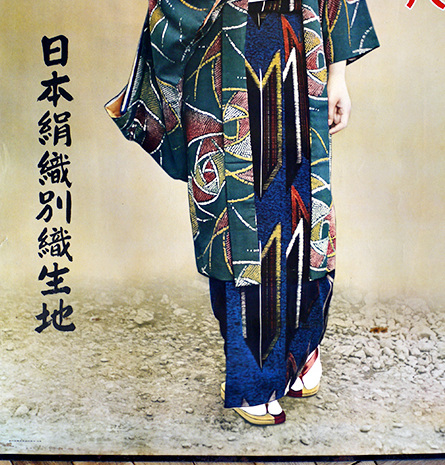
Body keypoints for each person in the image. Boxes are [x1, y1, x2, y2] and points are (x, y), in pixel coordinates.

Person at [106, 0, 378, 425]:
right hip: (228, 49)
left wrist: (338, 74)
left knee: (306, 211)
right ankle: (255, 379)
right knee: (240, 229)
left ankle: (301, 351)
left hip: (303, 51)